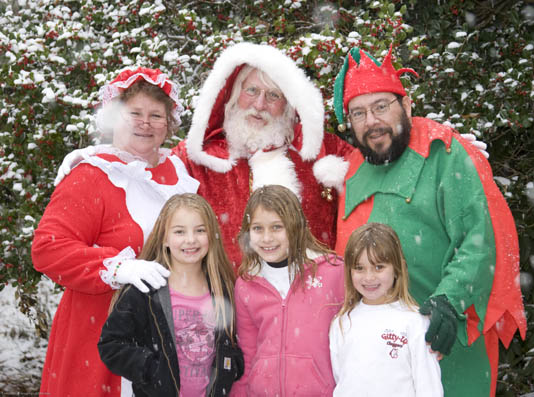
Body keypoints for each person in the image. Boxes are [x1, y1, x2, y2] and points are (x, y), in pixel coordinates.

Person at [55, 42, 487, 272]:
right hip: (222, 314)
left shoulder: (321, 156)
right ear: (231, 97)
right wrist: (98, 157)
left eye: (274, 96)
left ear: (291, 106)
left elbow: (385, 154)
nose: (260, 104)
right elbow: (147, 161)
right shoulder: (202, 159)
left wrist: (441, 146)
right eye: (252, 90)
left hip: (312, 311)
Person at [333, 45, 527, 396]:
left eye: (381, 107)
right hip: (383, 359)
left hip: (449, 340)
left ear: (406, 106)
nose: (371, 122)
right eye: (358, 113)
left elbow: (478, 240)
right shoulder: (351, 168)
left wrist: (449, 301)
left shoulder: (445, 153)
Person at [32, 67, 200, 396]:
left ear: (169, 124)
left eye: (156, 115)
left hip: (169, 332)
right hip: (102, 331)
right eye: (134, 113)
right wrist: (118, 267)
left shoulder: (179, 171)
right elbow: (48, 248)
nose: (145, 122)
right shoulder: (91, 175)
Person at [98, 193, 244, 397]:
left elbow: (231, 342)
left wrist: (231, 368)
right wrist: (151, 369)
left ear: (211, 234)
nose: (191, 240)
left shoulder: (223, 288)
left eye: (200, 230)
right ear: (164, 238)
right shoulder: (146, 290)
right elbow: (111, 344)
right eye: (180, 232)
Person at [231, 185, 344, 396]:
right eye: (257, 228)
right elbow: (247, 353)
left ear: (295, 227)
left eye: (276, 227)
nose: (267, 238)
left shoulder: (333, 273)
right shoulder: (247, 285)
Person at [329, 222, 443, 397]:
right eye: (359, 268)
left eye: (379, 267)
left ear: (397, 269)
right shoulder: (342, 322)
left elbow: (428, 387)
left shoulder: (414, 321)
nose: (369, 277)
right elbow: (341, 378)